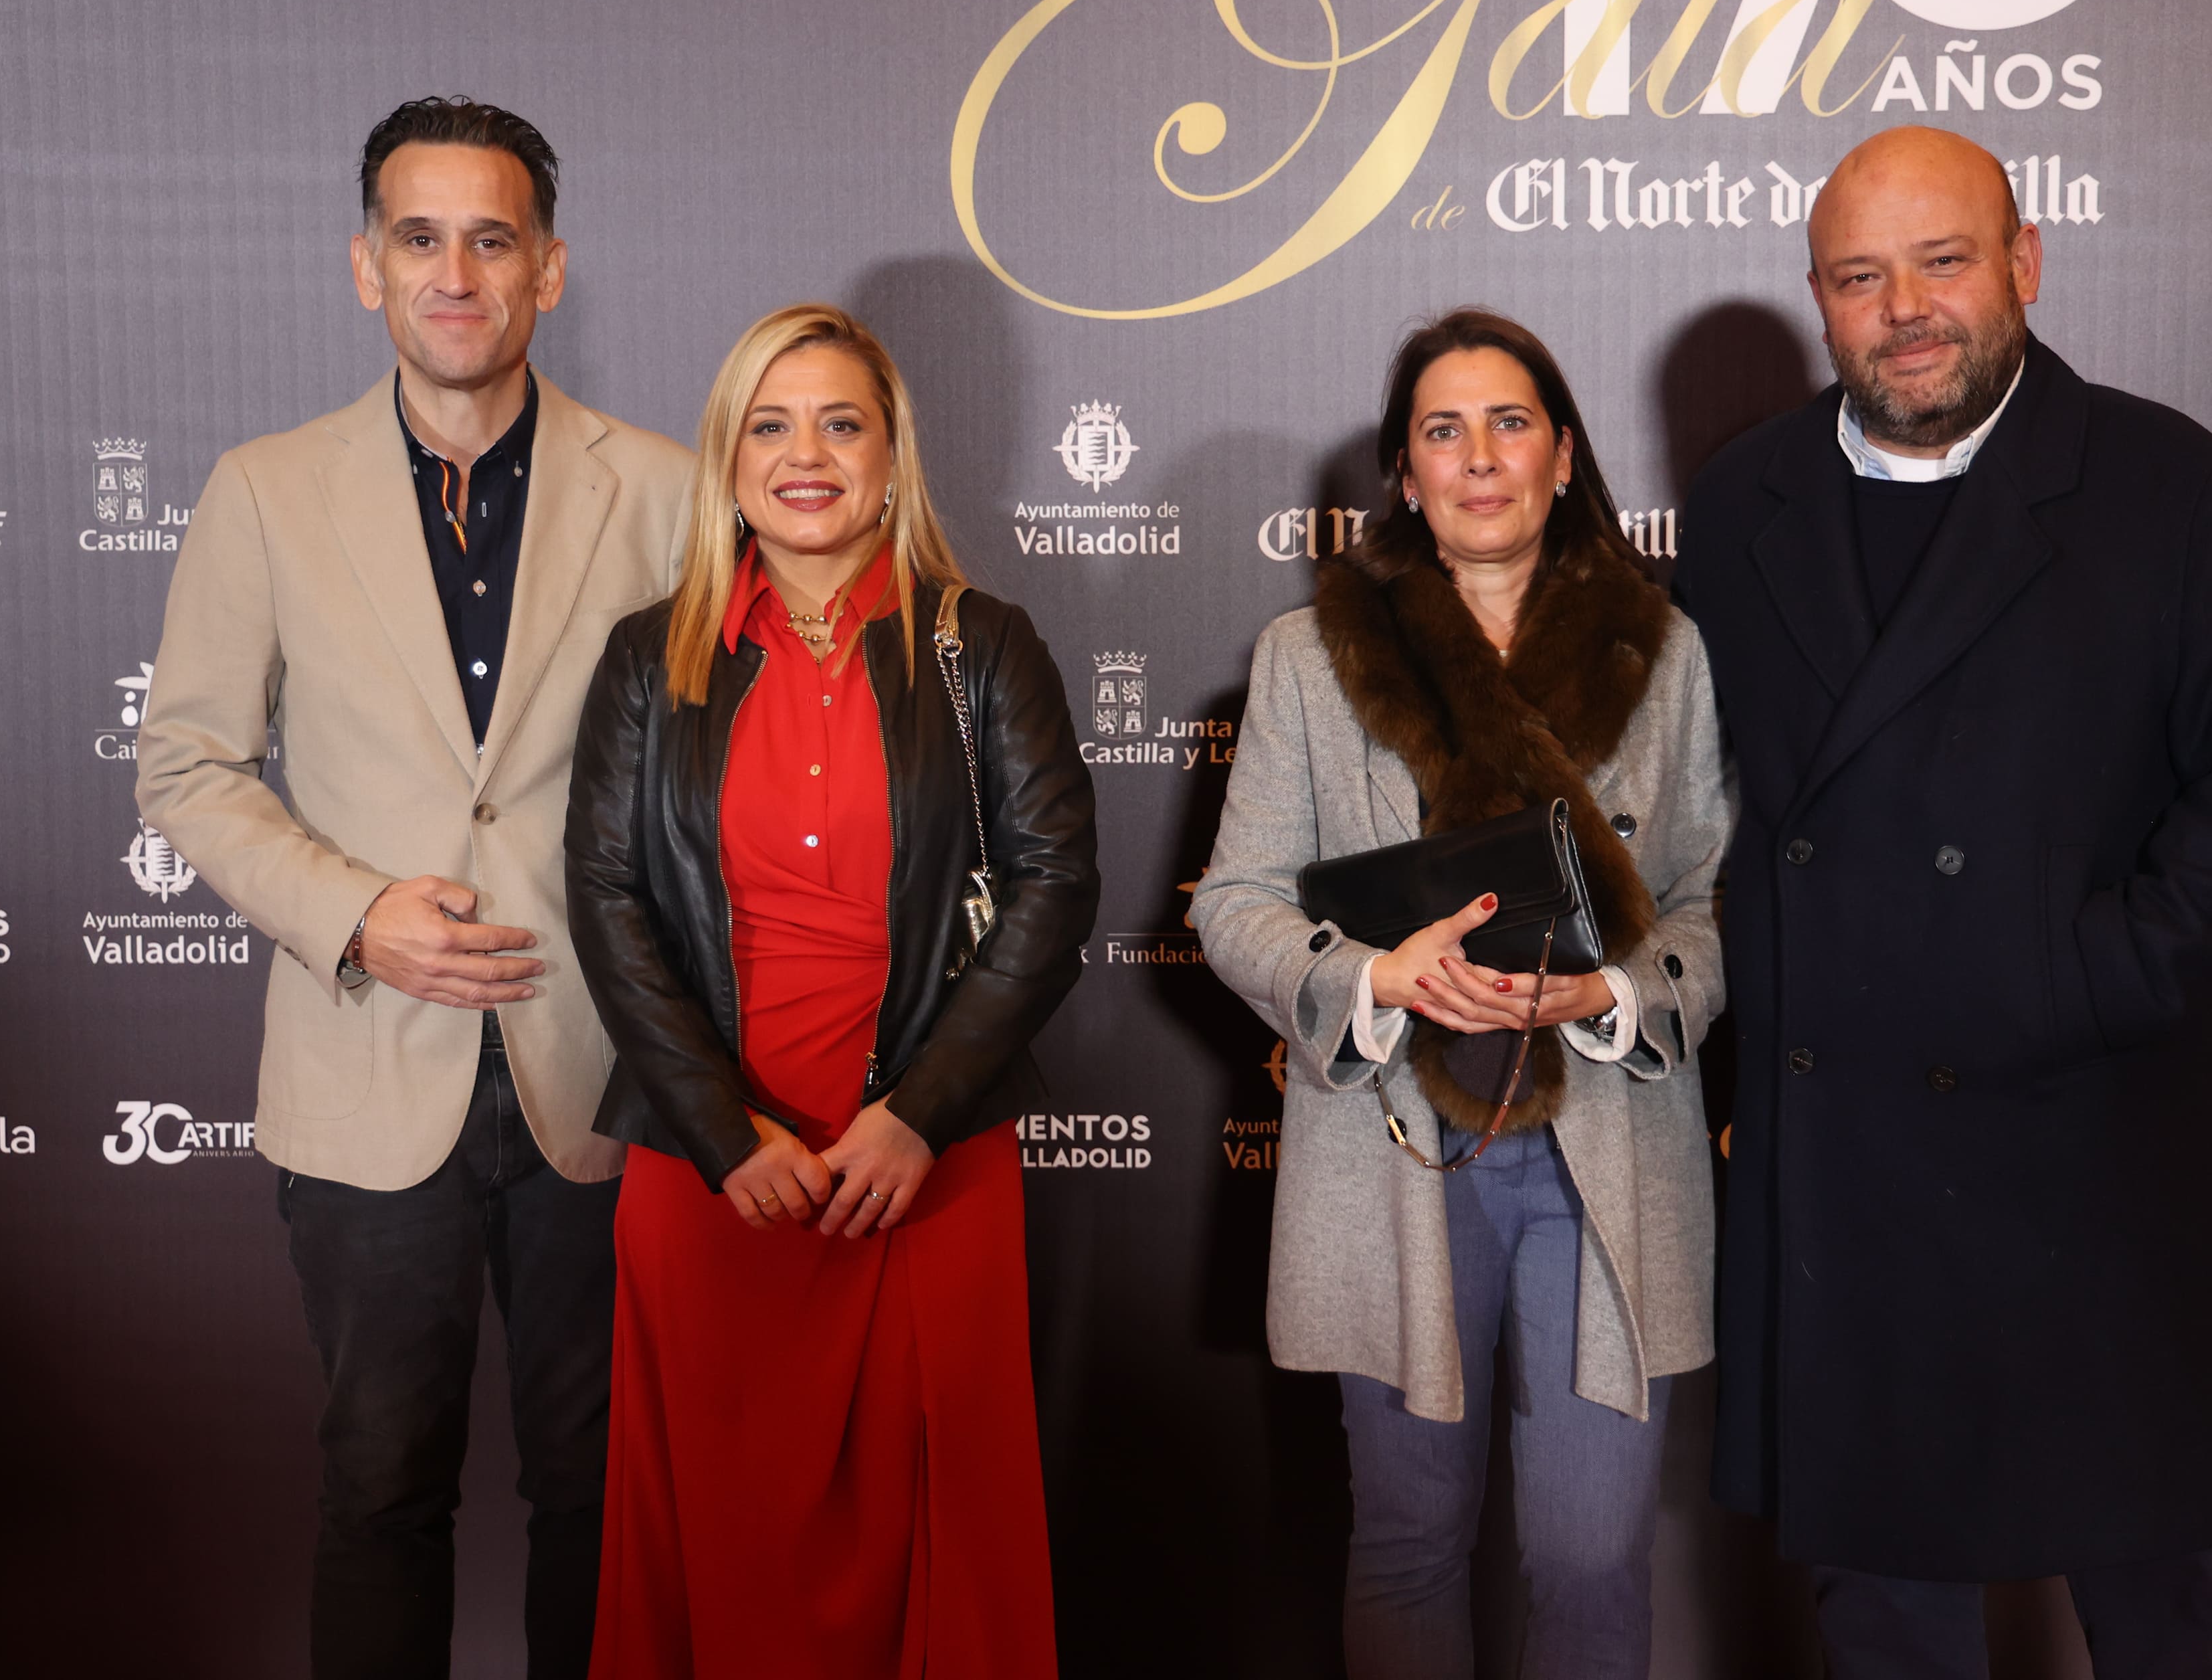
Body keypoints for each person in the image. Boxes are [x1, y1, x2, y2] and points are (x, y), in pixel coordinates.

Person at [1675, 125, 2212, 1679]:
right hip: (1843, 1171)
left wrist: (2091, 974)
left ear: (2023, 264)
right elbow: (1700, 799)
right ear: (1816, 300)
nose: (1902, 308)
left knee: (2187, 1617)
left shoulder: (2174, 488)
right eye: (1859, 276)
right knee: (1889, 1626)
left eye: (1941, 261)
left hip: (2095, 1144)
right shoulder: (1741, 503)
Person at [135, 97, 694, 1678]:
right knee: (379, 1488)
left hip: (604, 1076)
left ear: (552, 268)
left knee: (600, 1494)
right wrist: (351, 907)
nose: (457, 271)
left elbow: (706, 783)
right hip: (366, 1065)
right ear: (366, 267)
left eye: (493, 237)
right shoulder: (264, 488)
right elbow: (186, 765)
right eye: (420, 236)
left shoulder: (658, 489)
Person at [1194, 308, 1731, 1680]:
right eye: (1442, 428)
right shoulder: (1307, 658)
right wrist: (1379, 971)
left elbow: (1713, 898)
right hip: (1393, 1148)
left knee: (1589, 1548)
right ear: (1402, 471)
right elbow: (1234, 901)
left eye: (1509, 424)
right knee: (1408, 1537)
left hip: (1599, 1147)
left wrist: (1611, 990)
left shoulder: (1662, 652)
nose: (1477, 456)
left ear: (1561, 456)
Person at [565, 302, 1097, 1677]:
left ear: (890, 455)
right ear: (727, 456)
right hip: (712, 1170)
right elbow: (609, 900)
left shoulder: (981, 645)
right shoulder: (648, 655)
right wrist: (717, 1130)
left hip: (929, 1152)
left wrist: (919, 1113)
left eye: (840, 422)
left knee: (942, 1548)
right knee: (726, 1544)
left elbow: (1052, 888)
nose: (806, 454)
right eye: (770, 422)